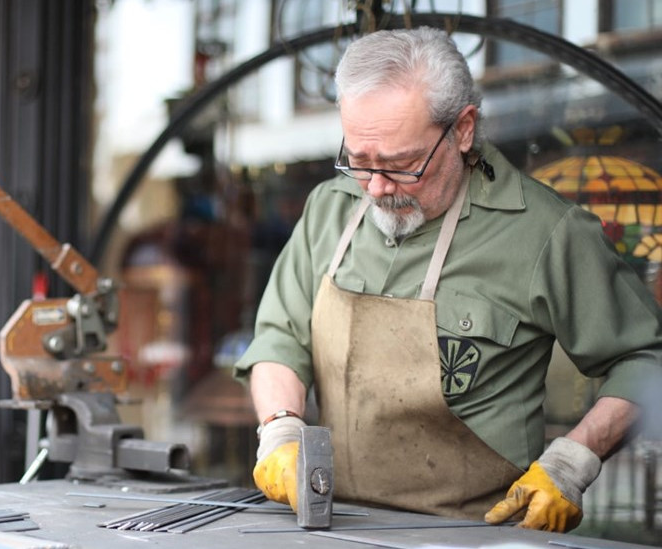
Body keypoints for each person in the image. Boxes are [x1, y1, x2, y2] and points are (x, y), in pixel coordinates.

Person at [233, 26, 662, 533]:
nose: (375, 187)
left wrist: (574, 461)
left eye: (401, 165)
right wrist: (280, 428)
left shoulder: (545, 232)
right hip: (331, 527)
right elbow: (280, 338)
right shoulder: (331, 207)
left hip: (476, 535)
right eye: (359, 161)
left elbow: (643, 358)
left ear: (462, 129)